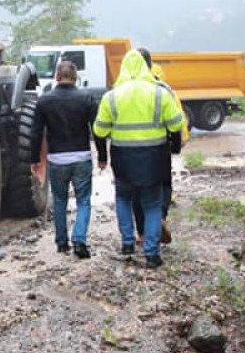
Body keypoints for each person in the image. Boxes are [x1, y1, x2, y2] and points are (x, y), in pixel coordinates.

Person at [92, 50, 185, 268]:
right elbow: (176, 125)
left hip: (123, 159)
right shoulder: (160, 94)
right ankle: (152, 253)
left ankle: (127, 243)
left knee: (124, 198)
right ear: (146, 67)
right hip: (154, 158)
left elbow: (99, 130)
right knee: (152, 204)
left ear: (123, 68)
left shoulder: (111, 97)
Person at [28, 59, 105, 258]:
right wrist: (103, 155)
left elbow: (36, 132)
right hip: (81, 158)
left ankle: (62, 243)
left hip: (57, 160)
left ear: (56, 77)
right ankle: (79, 240)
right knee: (84, 201)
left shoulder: (44, 101)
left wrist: (34, 158)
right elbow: (97, 130)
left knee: (60, 201)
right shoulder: (86, 98)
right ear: (75, 77)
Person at [130, 49, 188, 245]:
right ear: (150, 64)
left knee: (136, 190)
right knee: (163, 185)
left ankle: (142, 233)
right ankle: (160, 218)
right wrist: (176, 147)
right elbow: (176, 120)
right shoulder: (163, 88)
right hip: (159, 148)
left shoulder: (122, 88)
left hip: (130, 149)